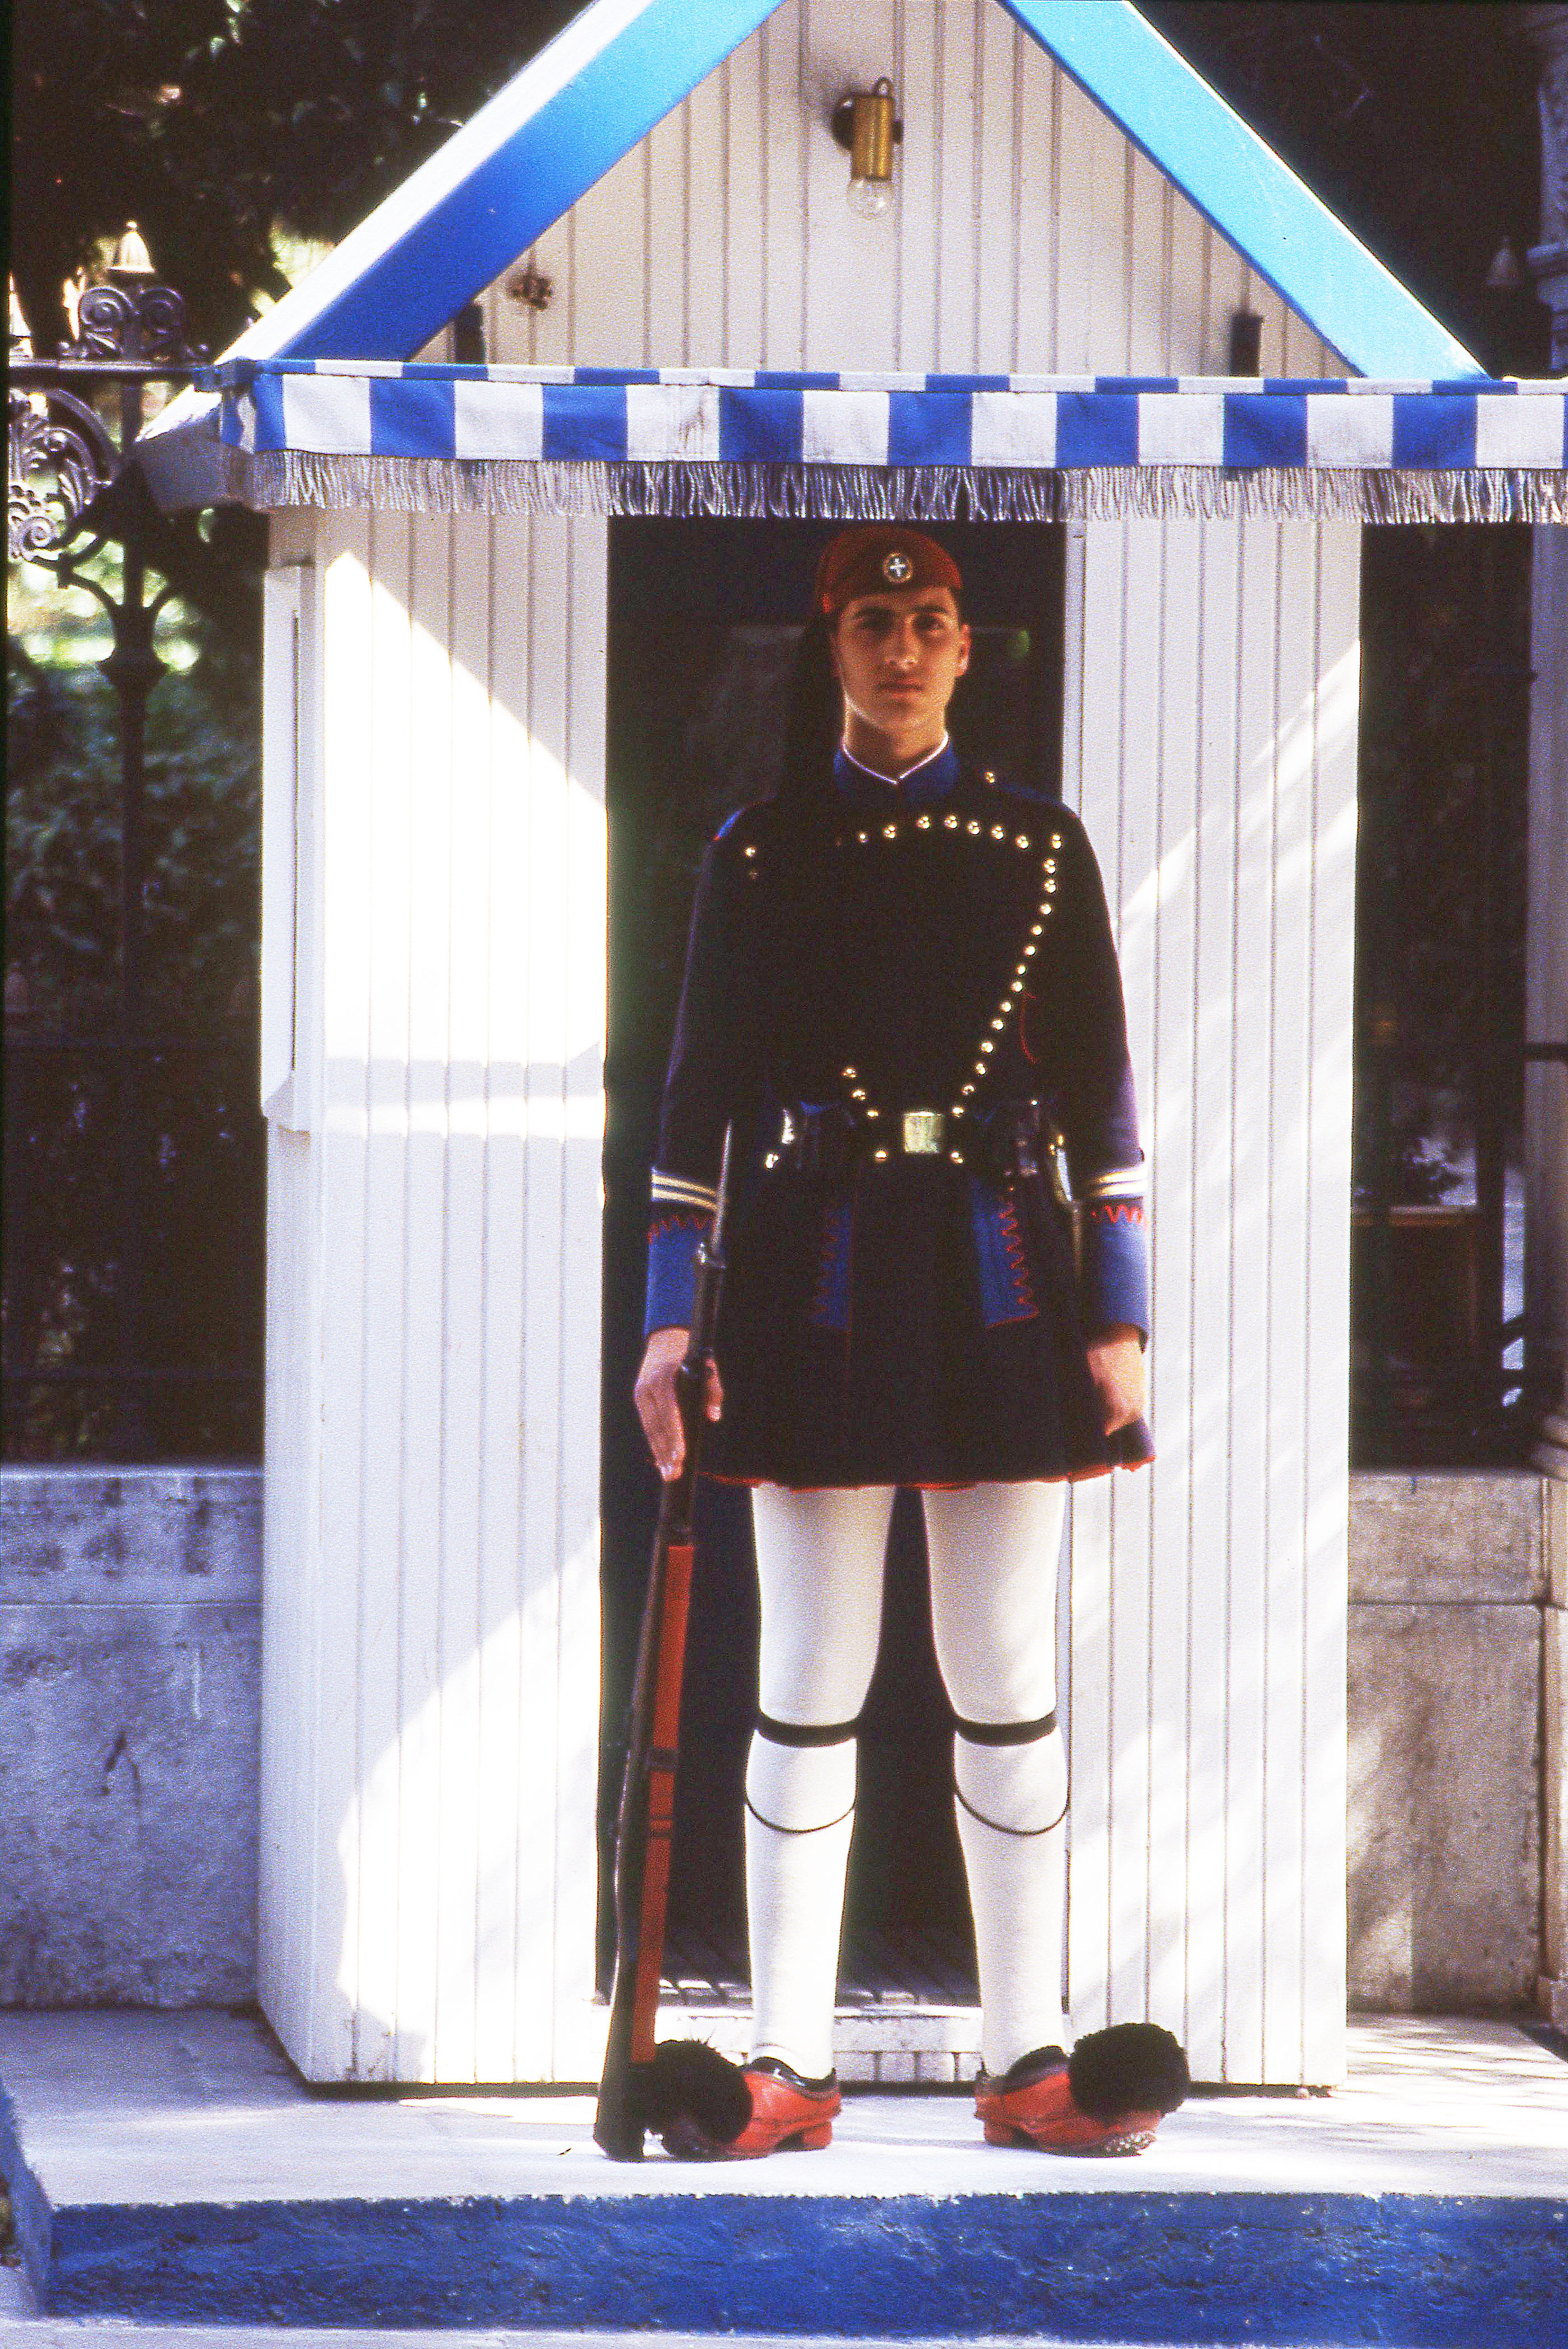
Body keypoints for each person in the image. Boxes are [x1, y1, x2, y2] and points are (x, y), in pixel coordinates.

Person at [634, 524, 1185, 2160]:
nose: (900, 648)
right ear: (835, 643)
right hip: (809, 1276)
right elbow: (695, 1106)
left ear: (964, 649)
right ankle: (787, 2062)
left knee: (1004, 1676)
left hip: (1005, 1276)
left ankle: (1027, 2055)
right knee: (805, 1675)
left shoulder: (1042, 844)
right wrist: (672, 1317)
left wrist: (1121, 1313)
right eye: (872, 621)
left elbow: (1103, 1102)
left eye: (928, 622)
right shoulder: (756, 848)